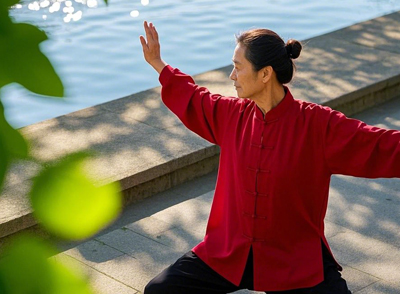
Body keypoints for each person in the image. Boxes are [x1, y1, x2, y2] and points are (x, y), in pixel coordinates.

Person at [139, 21, 400, 294]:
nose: (232, 76)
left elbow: (378, 145)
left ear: (265, 74)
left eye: (238, 67)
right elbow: (194, 98)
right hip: (230, 251)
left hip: (293, 258)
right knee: (160, 290)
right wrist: (158, 63)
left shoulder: (317, 125)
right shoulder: (231, 116)